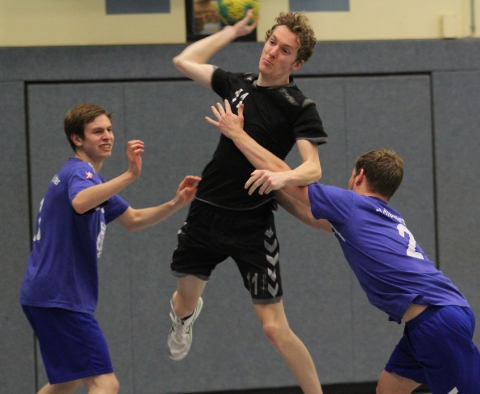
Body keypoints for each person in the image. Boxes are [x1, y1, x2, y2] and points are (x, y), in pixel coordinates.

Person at [220, 139, 479, 393]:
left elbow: (288, 177)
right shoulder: (381, 216)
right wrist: (273, 192)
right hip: (433, 318)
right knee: (388, 389)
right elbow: (310, 216)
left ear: (359, 175)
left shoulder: (352, 204)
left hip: (437, 321)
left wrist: (237, 135)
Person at [169, 9, 327, 394]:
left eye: (285, 50)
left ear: (298, 61)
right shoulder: (237, 84)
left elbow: (313, 170)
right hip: (206, 213)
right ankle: (183, 320)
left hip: (252, 224)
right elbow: (184, 60)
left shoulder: (299, 106)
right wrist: (234, 31)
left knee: (274, 327)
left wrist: (282, 176)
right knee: (183, 302)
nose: (272, 52)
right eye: (272, 42)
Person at [19, 103, 201, 394]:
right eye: (97, 132)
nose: (107, 136)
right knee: (106, 383)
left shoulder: (90, 180)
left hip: (45, 294)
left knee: (67, 381)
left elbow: (134, 220)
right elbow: (80, 202)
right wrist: (130, 175)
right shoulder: (80, 172)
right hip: (60, 296)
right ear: (77, 139)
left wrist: (176, 203)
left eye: (109, 130)